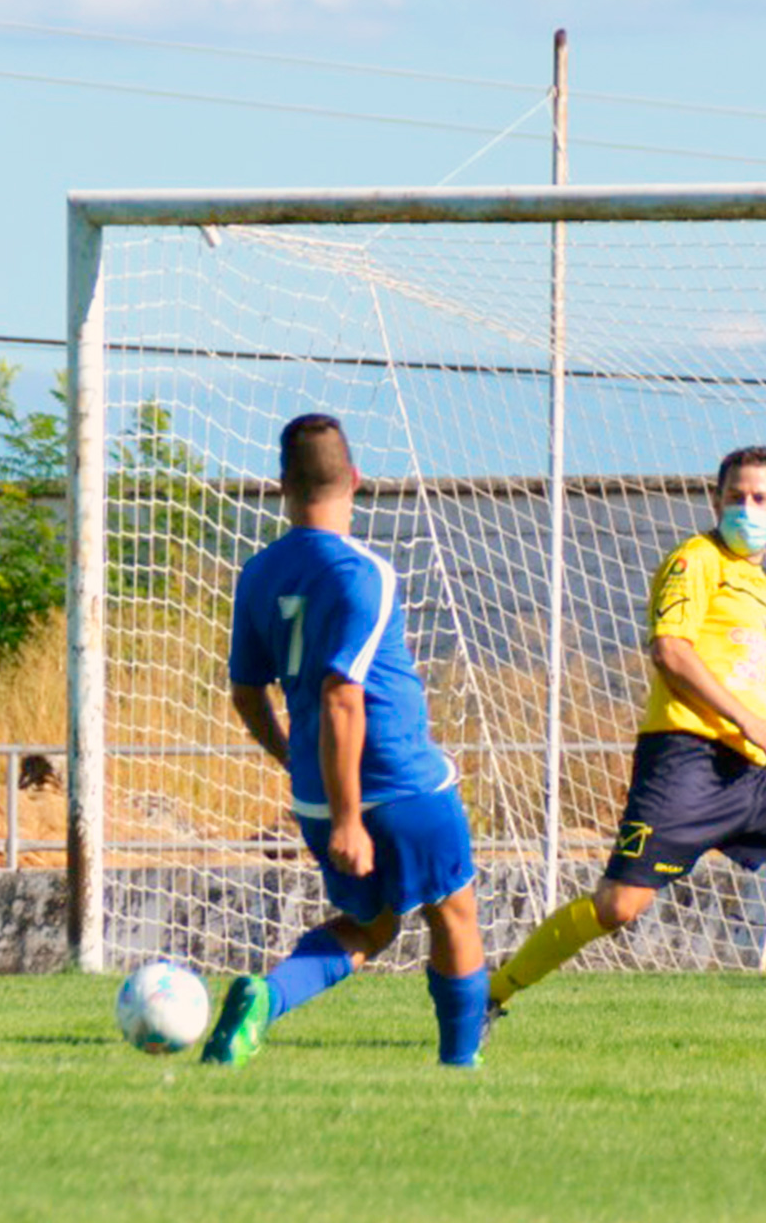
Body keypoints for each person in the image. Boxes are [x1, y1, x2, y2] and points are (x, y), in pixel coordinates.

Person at [487, 445, 766, 1048]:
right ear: (715, 500)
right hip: (686, 762)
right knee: (619, 907)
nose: (746, 508)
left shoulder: (758, 581)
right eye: (735, 497)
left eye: (759, 498)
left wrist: (752, 732)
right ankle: (488, 995)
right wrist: (749, 720)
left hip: (748, 774)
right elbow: (670, 651)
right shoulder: (695, 560)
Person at [203, 413, 489, 1067]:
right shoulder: (365, 572)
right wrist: (351, 816)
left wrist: (298, 766)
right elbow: (342, 695)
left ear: (282, 484)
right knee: (455, 914)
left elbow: (247, 692)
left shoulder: (259, 572)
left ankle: (265, 1001)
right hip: (397, 782)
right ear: (355, 479)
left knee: (370, 925)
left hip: (315, 788)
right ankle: (460, 1067)